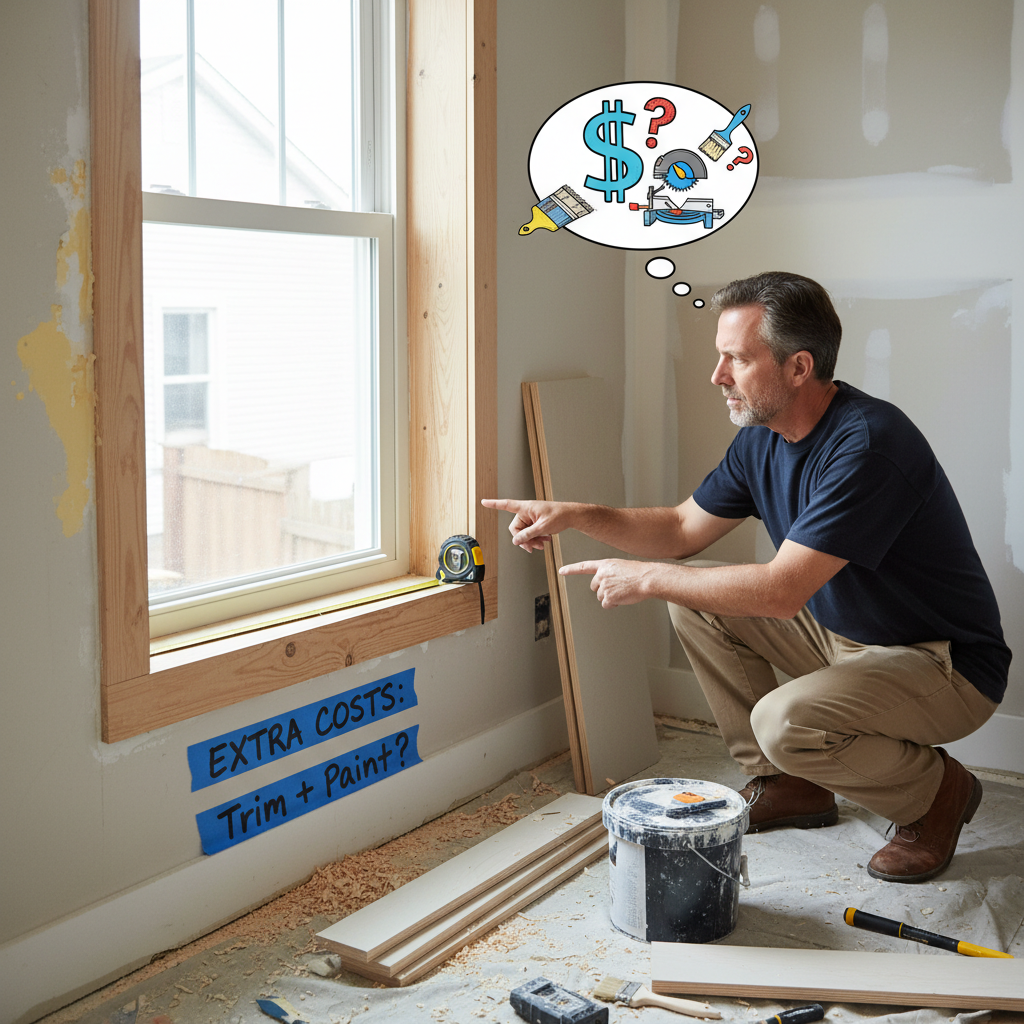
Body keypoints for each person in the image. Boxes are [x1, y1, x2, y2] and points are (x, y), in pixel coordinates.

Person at [482, 271, 1011, 884]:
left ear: (797, 367)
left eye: (735, 357)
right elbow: (682, 529)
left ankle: (936, 795)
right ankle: (790, 785)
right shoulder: (764, 438)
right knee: (696, 598)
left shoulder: (868, 445)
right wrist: (578, 515)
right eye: (719, 356)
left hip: (942, 664)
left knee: (784, 721)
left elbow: (781, 593)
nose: (717, 376)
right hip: (847, 638)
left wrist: (649, 579)